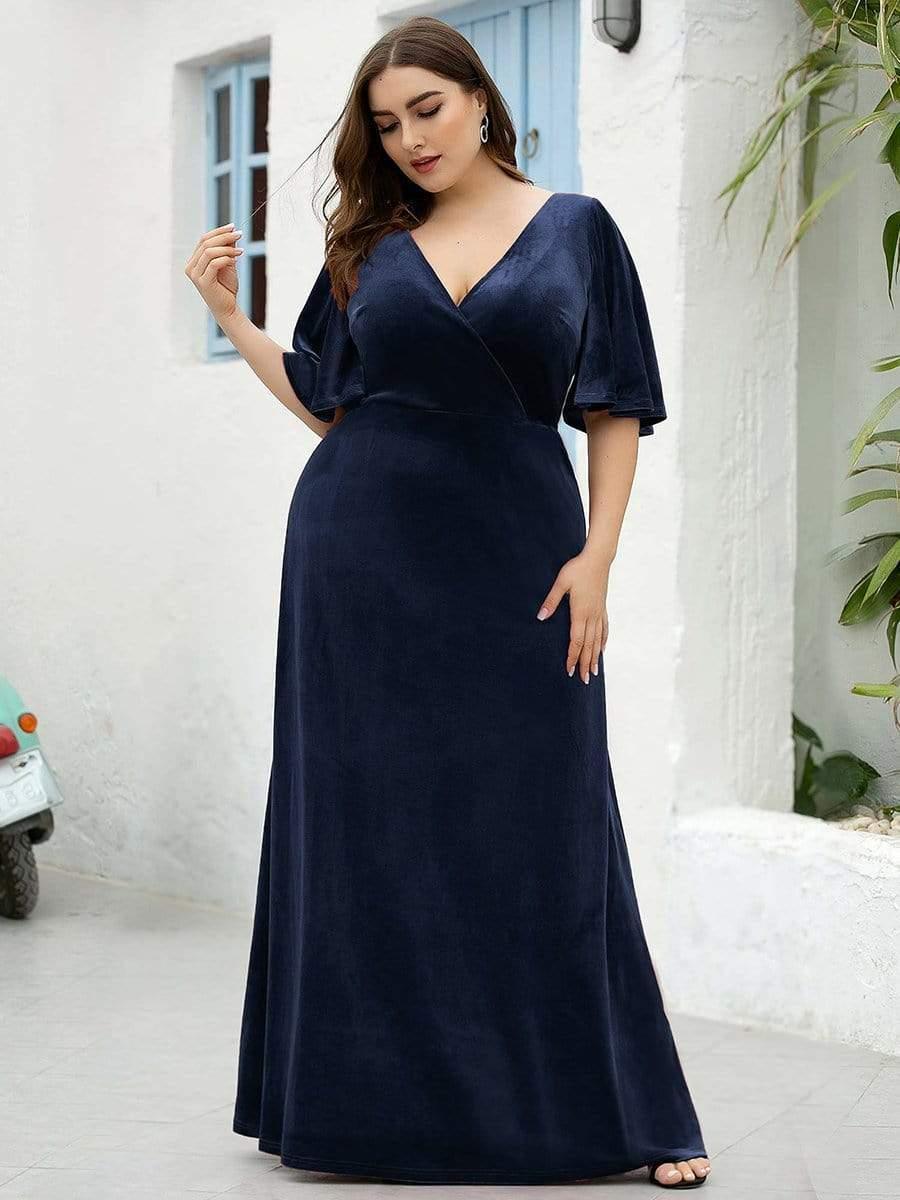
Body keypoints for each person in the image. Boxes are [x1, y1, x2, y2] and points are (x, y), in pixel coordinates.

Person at [186, 14, 710, 1190]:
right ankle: (369, 1113)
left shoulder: (578, 229)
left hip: (522, 549)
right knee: (366, 822)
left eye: (427, 109)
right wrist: (231, 319)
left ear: (479, 98)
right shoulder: (373, 246)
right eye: (386, 125)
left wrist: (600, 556)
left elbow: (614, 406)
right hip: (357, 555)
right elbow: (329, 403)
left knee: (547, 814)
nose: (411, 139)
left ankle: (621, 1112)